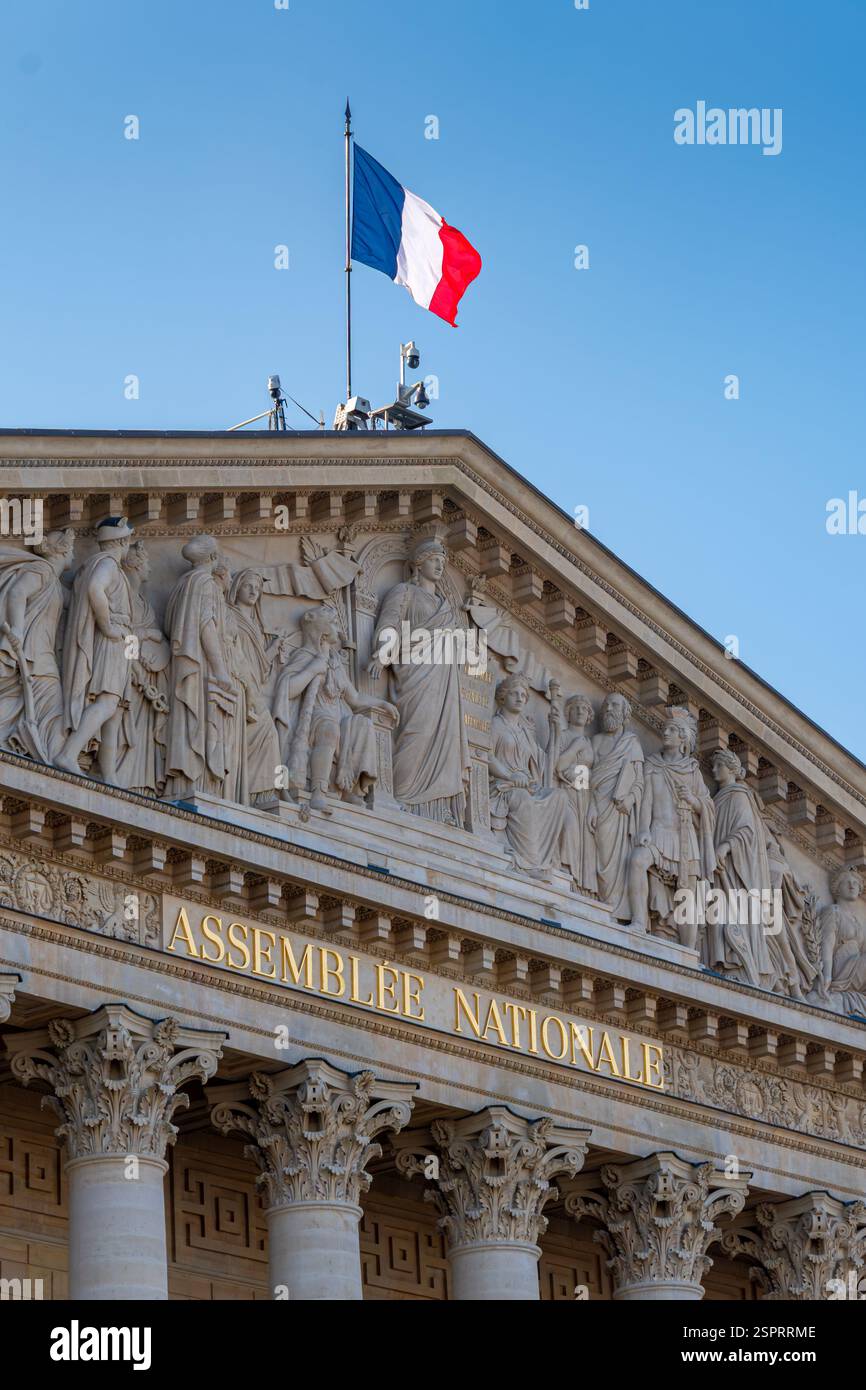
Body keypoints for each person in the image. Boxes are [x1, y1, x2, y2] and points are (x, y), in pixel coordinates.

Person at [368, 536, 469, 825]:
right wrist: (382, 653)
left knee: (446, 740)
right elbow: (389, 625)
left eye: (442, 561)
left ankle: (436, 812)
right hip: (415, 676)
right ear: (419, 564)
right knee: (417, 732)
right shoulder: (404, 593)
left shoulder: (446, 606)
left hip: (445, 682)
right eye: (434, 560)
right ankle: (403, 797)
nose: (439, 565)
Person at [274, 605, 397, 812]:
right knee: (329, 728)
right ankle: (319, 791)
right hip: (315, 718)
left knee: (363, 724)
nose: (337, 629)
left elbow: (355, 698)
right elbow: (287, 690)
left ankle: (351, 790)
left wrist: (383, 703)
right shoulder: (304, 656)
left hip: (339, 717)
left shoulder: (335, 663)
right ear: (320, 629)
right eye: (332, 623)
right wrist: (313, 669)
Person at [627, 707, 715, 946]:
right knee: (637, 860)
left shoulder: (692, 771)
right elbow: (646, 801)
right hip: (657, 833)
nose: (666, 732)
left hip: (684, 837)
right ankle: (637, 920)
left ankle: (689, 952)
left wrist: (694, 800)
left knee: (688, 896)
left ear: (684, 737)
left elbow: (707, 806)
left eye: (673, 730)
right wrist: (643, 829)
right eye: (665, 729)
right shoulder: (652, 765)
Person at [56, 517, 133, 781]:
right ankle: (68, 753)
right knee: (108, 702)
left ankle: (108, 776)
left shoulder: (93, 564)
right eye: (128, 541)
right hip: (110, 641)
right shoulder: (108, 564)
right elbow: (95, 588)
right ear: (122, 541)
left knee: (116, 707)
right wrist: (108, 626)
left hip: (120, 643)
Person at [489, 672, 582, 879]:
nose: (521, 697)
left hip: (528, 786)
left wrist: (555, 730)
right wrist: (510, 776)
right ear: (503, 697)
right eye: (515, 693)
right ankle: (530, 863)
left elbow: (544, 763)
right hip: (504, 786)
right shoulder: (497, 725)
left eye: (524, 694)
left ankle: (544, 859)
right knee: (523, 800)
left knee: (559, 797)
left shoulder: (525, 732)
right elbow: (487, 756)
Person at [0, 529, 74, 761]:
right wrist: (18, 632)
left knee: (19, 702)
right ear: (62, 549)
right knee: (52, 709)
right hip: (32, 654)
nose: (73, 553)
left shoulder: (54, 582)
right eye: (71, 548)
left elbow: (77, 604)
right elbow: (17, 592)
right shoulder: (41, 569)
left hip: (42, 655)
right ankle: (51, 759)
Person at [588, 693, 644, 918]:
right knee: (599, 856)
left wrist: (630, 799)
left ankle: (614, 912)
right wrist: (589, 803)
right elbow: (586, 773)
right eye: (606, 705)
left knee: (618, 862)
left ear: (624, 713)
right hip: (597, 805)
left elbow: (639, 781)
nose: (608, 709)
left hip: (620, 811)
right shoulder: (596, 741)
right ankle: (600, 905)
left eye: (614, 705)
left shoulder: (632, 743)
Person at [554, 692, 597, 893]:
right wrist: (575, 746)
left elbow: (592, 776)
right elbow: (558, 765)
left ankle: (577, 885)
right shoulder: (562, 736)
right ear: (568, 713)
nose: (580, 711)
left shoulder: (591, 744)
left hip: (584, 796)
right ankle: (563, 871)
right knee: (569, 827)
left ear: (589, 715)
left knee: (583, 840)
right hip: (565, 792)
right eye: (576, 708)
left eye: (584, 709)